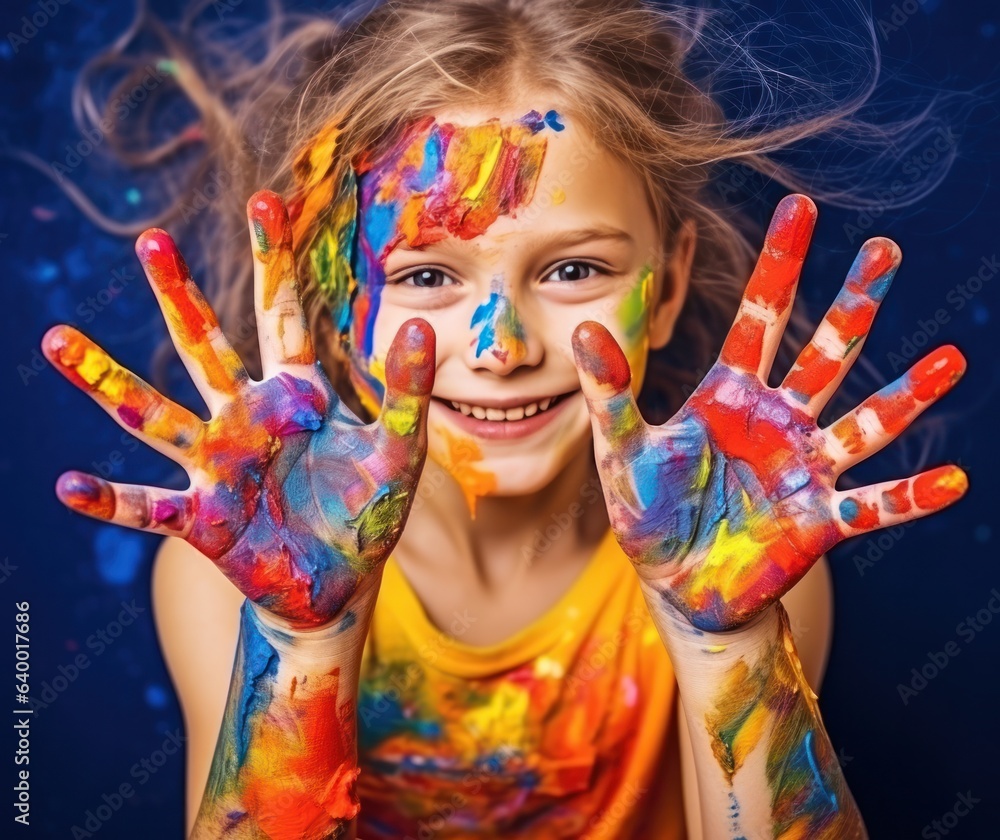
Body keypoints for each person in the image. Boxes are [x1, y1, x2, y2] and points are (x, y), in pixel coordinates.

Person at [42, 0, 968, 837]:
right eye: (426, 276)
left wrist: (726, 645)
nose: (500, 345)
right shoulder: (231, 576)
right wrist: (301, 642)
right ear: (327, 292)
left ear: (672, 277)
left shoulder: (740, 552)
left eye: (573, 271)